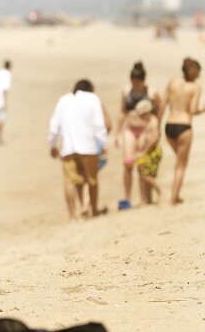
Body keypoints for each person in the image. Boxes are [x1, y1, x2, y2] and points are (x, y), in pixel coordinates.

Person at [48, 80, 109, 220]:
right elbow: (99, 124)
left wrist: (52, 145)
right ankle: (94, 210)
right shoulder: (92, 98)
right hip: (89, 147)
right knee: (92, 180)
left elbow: (54, 125)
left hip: (68, 148)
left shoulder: (63, 100)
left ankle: (72, 215)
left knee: (69, 182)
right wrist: (104, 144)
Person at [115, 61, 162, 208]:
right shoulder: (126, 90)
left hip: (144, 129)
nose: (135, 85)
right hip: (130, 128)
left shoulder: (152, 92)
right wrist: (117, 133)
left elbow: (159, 110)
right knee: (128, 162)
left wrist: (156, 129)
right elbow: (122, 111)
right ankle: (127, 197)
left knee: (142, 162)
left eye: (138, 83)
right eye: (133, 82)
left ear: (143, 80)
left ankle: (143, 198)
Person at [160, 57, 202, 205]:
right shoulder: (195, 88)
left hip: (169, 125)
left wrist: (157, 127)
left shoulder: (172, 83)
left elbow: (162, 105)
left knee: (178, 161)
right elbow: (192, 110)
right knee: (180, 165)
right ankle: (174, 198)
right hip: (184, 127)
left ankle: (174, 195)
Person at [128, 100, 162, 204]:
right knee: (142, 171)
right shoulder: (148, 121)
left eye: (142, 114)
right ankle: (148, 199)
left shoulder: (153, 121)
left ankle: (160, 191)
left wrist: (144, 152)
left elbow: (154, 138)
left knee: (145, 175)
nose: (141, 117)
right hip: (146, 152)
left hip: (151, 152)